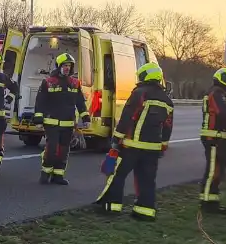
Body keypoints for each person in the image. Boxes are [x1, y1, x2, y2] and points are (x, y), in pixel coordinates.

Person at [95, 62, 174, 221]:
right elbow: (167, 126)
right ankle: (145, 211)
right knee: (147, 179)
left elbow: (127, 117)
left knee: (117, 175)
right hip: (152, 148)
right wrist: (163, 145)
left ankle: (112, 207)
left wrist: (117, 138)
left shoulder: (139, 93)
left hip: (131, 145)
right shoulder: (167, 100)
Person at [34, 52, 90, 185]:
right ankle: (45, 174)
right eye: (65, 65)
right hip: (51, 122)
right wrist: (38, 119)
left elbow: (80, 102)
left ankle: (58, 175)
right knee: (52, 149)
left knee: (64, 151)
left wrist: (86, 117)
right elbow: (40, 102)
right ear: (59, 66)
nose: (67, 68)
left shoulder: (75, 83)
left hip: (68, 123)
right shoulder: (48, 82)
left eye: (69, 66)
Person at [199, 67, 226, 211]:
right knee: (213, 171)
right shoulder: (216, 93)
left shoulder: (220, 93)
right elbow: (223, 113)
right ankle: (207, 202)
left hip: (219, 136)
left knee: (218, 170)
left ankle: (212, 201)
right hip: (214, 137)